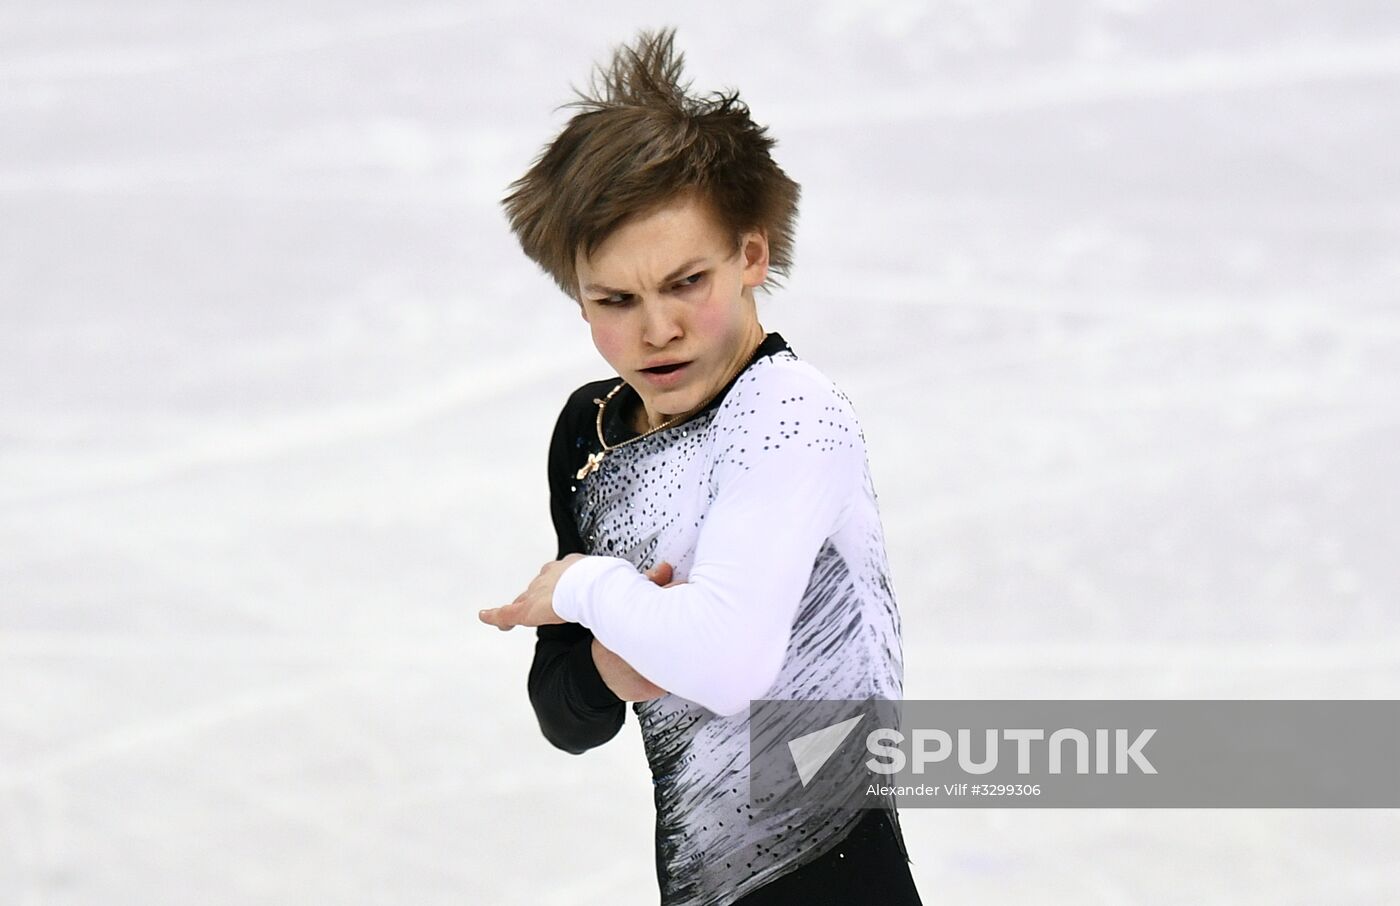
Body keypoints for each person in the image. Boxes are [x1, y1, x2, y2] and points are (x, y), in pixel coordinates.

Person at [478, 28, 921, 906]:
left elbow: (725, 664)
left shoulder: (790, 414)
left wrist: (580, 586)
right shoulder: (592, 433)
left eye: (687, 282)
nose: (657, 330)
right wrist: (612, 666)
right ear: (578, 297)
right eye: (615, 300)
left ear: (751, 256)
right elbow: (565, 711)